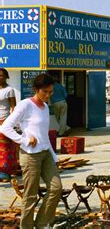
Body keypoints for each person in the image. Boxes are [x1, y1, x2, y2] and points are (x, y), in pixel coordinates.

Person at [0, 73, 62, 228]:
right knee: (30, 195)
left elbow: (44, 134)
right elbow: (5, 127)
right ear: (36, 89)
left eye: (50, 92)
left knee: (56, 188)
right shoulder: (25, 105)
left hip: (46, 153)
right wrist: (25, 140)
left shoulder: (46, 107)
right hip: (30, 155)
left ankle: (41, 223)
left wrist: (54, 157)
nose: (48, 95)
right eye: (45, 92)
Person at [0, 68, 16, 181]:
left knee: (5, 149)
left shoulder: (9, 90)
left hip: (4, 121)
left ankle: (5, 173)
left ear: (6, 76)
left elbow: (13, 108)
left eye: (1, 75)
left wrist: (10, 122)